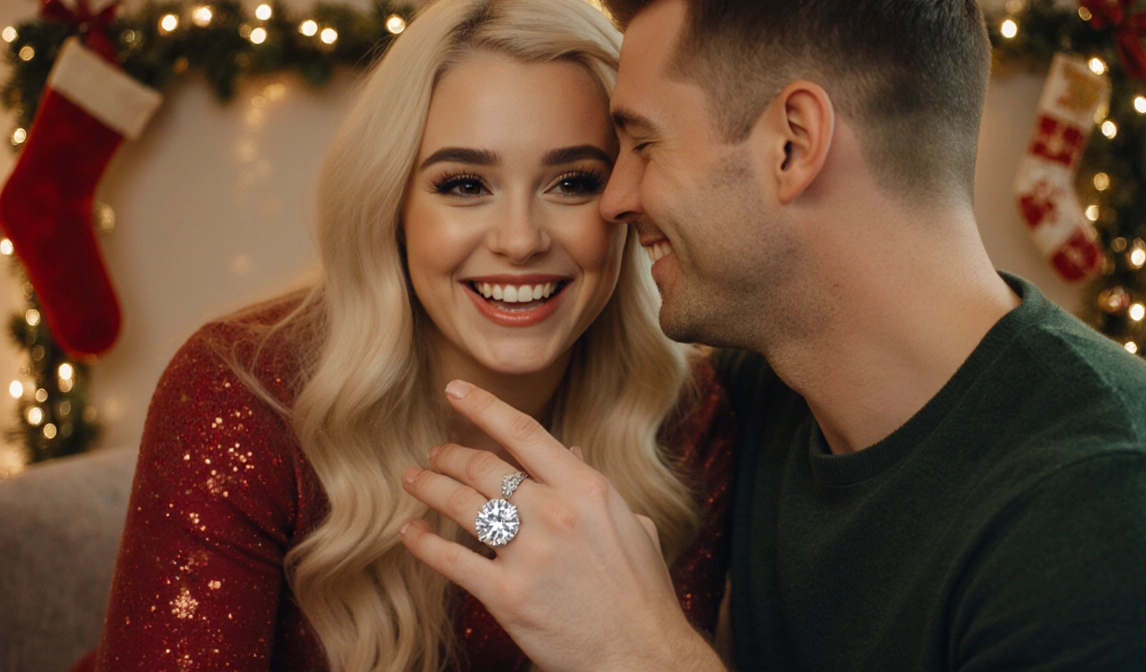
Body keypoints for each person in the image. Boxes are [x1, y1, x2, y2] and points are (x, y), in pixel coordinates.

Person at [397, 0, 1146, 669]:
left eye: (641, 144)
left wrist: (641, 652)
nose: (614, 200)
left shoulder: (1114, 512)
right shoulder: (755, 398)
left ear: (794, 144)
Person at [85, 0, 735, 670]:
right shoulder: (242, 393)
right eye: (463, 185)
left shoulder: (685, 415)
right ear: (392, 204)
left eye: (571, 182)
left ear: (624, 202)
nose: (520, 240)